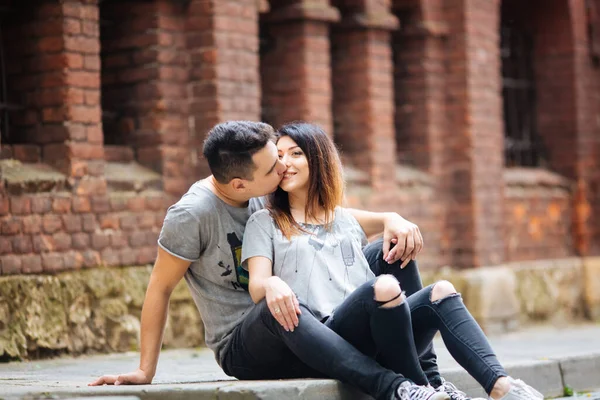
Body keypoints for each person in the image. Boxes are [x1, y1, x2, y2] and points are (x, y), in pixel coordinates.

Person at [89, 121, 430, 400]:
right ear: (240, 184)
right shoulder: (191, 216)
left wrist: (389, 219)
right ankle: (392, 386)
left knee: (393, 252)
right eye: (274, 166)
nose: (284, 168)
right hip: (247, 341)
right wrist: (145, 371)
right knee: (273, 304)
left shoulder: (257, 190)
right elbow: (159, 288)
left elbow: (325, 218)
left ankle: (429, 379)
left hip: (301, 317)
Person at [241, 122, 544, 400]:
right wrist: (272, 283)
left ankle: (501, 386)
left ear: (318, 159)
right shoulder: (265, 222)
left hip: (378, 328)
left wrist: (395, 221)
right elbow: (257, 286)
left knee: (442, 290)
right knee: (384, 286)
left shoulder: (344, 219)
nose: (285, 163)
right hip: (324, 335)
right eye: (279, 155)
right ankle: (422, 388)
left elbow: (378, 224)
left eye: (295, 153)